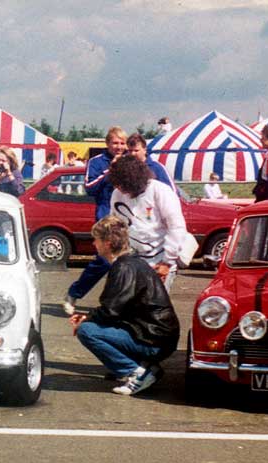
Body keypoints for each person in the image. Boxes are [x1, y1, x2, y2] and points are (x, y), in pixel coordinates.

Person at [70, 216, 180, 395]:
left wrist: (85, 319)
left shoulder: (123, 268)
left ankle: (136, 372)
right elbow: (118, 309)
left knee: (87, 331)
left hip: (153, 340)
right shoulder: (133, 262)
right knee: (95, 325)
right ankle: (147, 366)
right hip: (158, 336)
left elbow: (111, 311)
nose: (93, 244)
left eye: (96, 239)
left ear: (107, 243)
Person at [64, 127, 128, 315]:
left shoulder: (129, 161)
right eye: (115, 143)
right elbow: (90, 188)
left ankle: (118, 305)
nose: (119, 147)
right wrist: (110, 171)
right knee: (104, 261)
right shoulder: (96, 162)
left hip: (127, 218)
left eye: (122, 143)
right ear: (107, 144)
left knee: (126, 263)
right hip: (105, 218)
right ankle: (73, 293)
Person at [108, 155, 189, 292]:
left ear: (132, 180)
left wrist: (167, 263)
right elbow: (115, 226)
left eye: (121, 183)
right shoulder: (117, 194)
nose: (118, 187)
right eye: (116, 183)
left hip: (159, 261)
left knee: (153, 309)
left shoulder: (161, 191)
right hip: (130, 261)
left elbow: (176, 227)